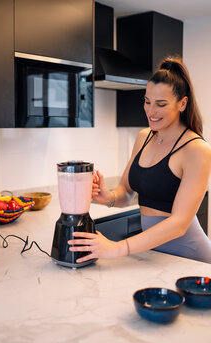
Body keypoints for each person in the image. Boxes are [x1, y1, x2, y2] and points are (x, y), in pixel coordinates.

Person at [68, 56, 211, 264]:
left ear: (183, 103)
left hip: (191, 260)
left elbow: (179, 223)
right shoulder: (144, 137)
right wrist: (108, 197)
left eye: (161, 104)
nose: (151, 112)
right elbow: (126, 192)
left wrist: (117, 248)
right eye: (147, 101)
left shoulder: (196, 149)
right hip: (155, 255)